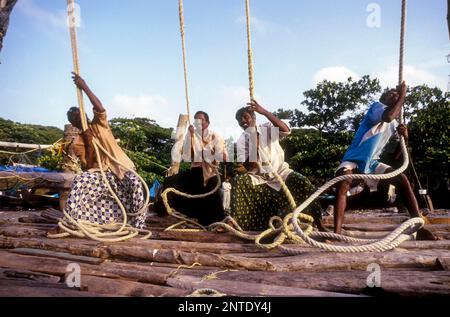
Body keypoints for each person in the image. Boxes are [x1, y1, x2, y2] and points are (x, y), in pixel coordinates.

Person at [333, 81, 438, 240]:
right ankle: (336, 233)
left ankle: (419, 226)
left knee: (402, 180)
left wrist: (405, 137)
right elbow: (388, 116)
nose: (394, 97)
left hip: (372, 163)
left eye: (396, 96)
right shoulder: (376, 107)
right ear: (383, 98)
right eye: (391, 94)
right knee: (343, 183)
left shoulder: (394, 124)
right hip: (354, 159)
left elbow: (396, 155)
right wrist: (403, 95)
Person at [62, 72, 147, 229]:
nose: (78, 118)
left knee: (135, 183)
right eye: (74, 118)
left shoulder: (99, 124)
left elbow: (100, 107)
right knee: (80, 181)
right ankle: (70, 222)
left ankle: (138, 225)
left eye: (79, 114)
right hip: (103, 174)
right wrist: (88, 143)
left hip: (122, 168)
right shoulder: (78, 143)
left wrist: (84, 86)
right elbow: (89, 166)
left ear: (84, 113)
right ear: (73, 123)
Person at [230, 99, 323, 231]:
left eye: (245, 117)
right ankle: (243, 225)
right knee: (239, 182)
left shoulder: (267, 127)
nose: (243, 121)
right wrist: (253, 139)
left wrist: (264, 112)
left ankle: (318, 223)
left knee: (302, 182)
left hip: (281, 173)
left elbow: (286, 130)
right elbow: (251, 167)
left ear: (254, 117)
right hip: (261, 178)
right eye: (239, 120)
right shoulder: (241, 141)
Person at [154, 111, 228, 226]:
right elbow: (188, 156)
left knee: (212, 199)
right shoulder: (192, 135)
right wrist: (191, 137)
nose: (198, 122)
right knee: (170, 181)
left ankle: (211, 219)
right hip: (196, 171)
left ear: (207, 123)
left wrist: (207, 149)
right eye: (196, 120)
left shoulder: (215, 136)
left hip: (209, 173)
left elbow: (224, 157)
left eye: (201, 120)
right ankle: (163, 209)